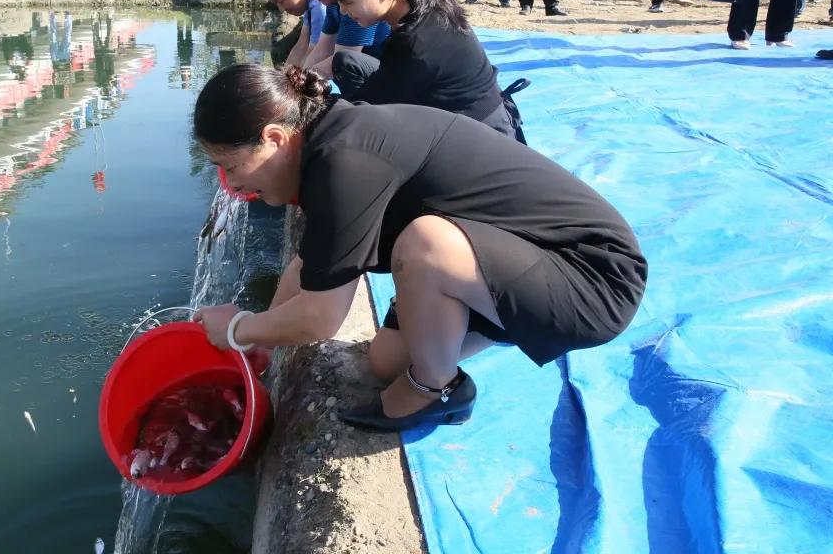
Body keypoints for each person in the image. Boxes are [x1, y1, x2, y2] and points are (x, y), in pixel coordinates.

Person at [191, 64, 647, 432]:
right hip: (516, 254)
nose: (232, 185)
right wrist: (262, 344)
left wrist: (240, 329)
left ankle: (438, 390)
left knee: (424, 243)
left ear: (274, 138)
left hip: (592, 278)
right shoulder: (327, 142)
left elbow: (320, 318)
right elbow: (308, 266)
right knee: (386, 361)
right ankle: (458, 344)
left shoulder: (345, 161)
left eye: (231, 166)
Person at [317, 0, 525, 140]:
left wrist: (319, 111)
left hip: (480, 134)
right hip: (451, 106)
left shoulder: (416, 42)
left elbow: (370, 106)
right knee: (346, 62)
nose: (343, 11)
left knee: (357, 128)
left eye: (348, 2)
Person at [260, 0, 327, 66]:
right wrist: (283, 76)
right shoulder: (308, 4)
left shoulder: (319, 6)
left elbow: (315, 53)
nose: (281, 9)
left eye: (281, 1)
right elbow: (301, 45)